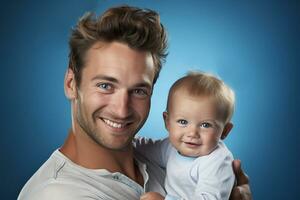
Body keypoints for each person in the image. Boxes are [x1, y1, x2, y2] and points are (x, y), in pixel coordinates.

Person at [17, 5, 252, 200]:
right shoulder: (59, 194)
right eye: (105, 85)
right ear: (71, 84)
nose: (121, 110)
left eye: (139, 90)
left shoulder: (161, 157)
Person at [135, 72, 236, 200]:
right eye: (183, 122)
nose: (192, 133)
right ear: (167, 122)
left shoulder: (218, 162)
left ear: (225, 131)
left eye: (205, 125)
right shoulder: (170, 147)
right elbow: (144, 147)